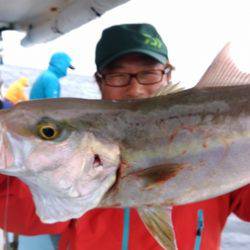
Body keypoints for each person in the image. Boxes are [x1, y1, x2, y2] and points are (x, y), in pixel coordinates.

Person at [0, 23, 249, 250]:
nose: (135, 88)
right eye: (118, 76)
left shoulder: (222, 129)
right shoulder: (70, 156)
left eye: (149, 73)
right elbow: (26, 220)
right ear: (100, 82)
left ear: (168, 75)